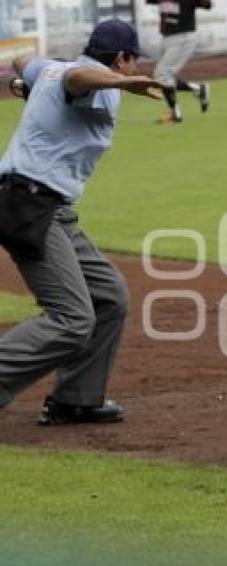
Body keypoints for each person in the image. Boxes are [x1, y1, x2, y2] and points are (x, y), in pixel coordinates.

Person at [0, 19, 163, 424]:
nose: (130, 68)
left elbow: (23, 61)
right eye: (131, 62)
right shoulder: (93, 80)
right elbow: (78, 79)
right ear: (122, 58)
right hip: (28, 204)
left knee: (110, 296)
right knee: (73, 318)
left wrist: (30, 86)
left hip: (49, 207)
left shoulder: (50, 68)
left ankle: (77, 398)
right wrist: (123, 84)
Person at [147, 0, 213, 123]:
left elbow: (208, 5)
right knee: (163, 77)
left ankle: (175, 114)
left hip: (183, 37)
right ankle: (198, 89)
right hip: (167, 37)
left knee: (162, 75)